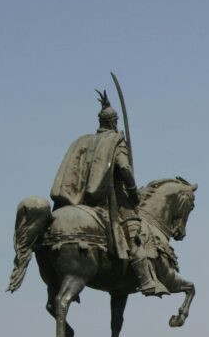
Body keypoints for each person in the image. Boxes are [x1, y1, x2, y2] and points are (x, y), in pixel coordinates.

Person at [50, 90, 168, 296]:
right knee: (135, 232)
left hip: (80, 199)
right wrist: (133, 191)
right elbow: (124, 168)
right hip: (111, 201)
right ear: (114, 122)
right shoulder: (115, 140)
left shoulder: (83, 141)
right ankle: (147, 280)